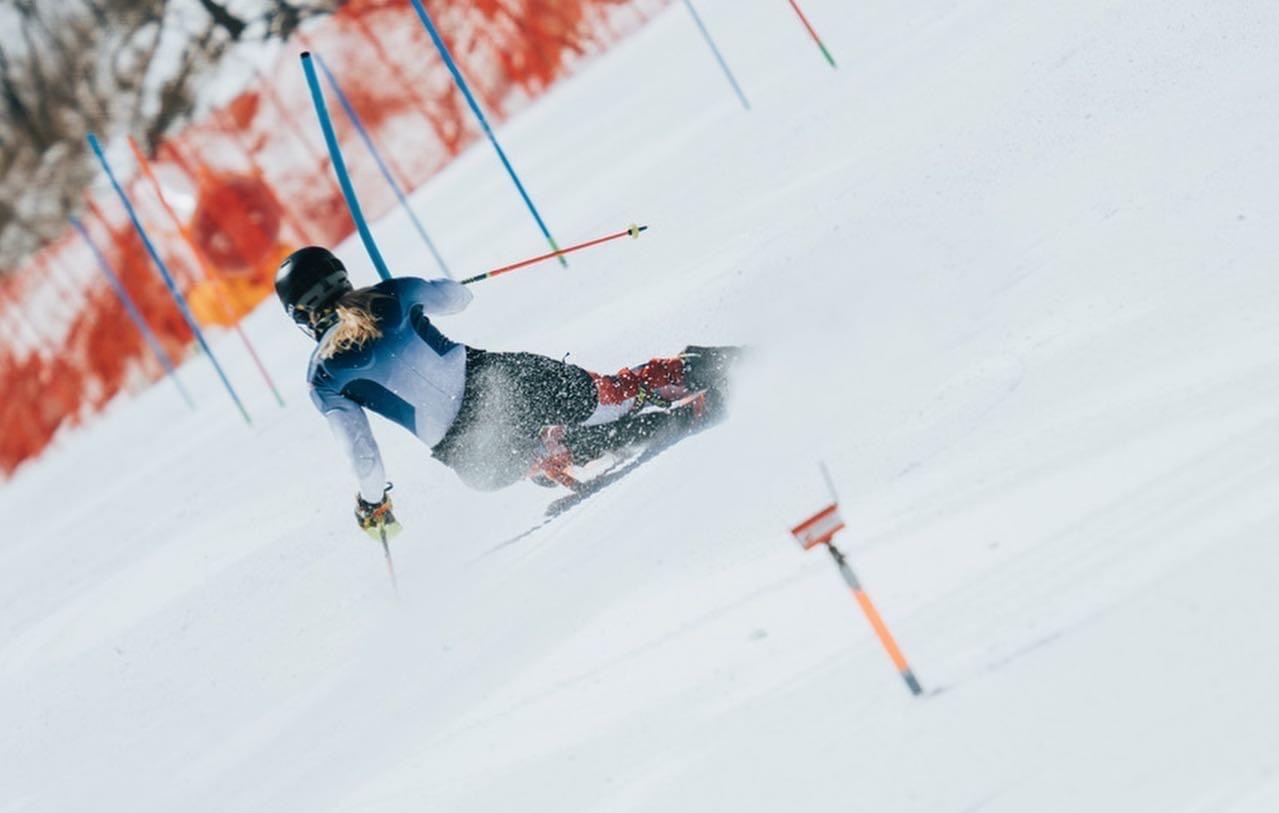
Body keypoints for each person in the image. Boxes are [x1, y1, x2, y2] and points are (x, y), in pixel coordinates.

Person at [274, 246, 738, 538]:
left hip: (471, 454)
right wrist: (430, 289)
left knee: (517, 460)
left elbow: (362, 455)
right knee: (605, 399)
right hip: (499, 381)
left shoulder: (323, 376)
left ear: (298, 315)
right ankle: (682, 374)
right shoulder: (390, 293)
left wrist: (374, 503)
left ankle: (564, 447)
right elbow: (458, 299)